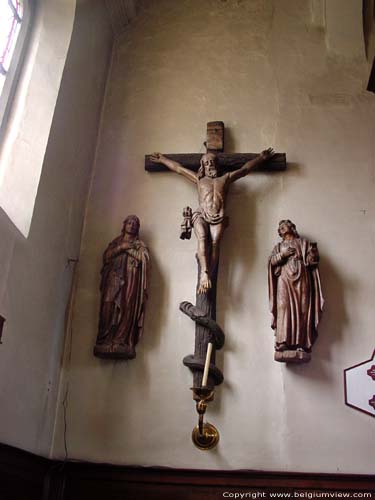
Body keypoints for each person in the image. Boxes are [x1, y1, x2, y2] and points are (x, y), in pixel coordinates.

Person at [151, 149, 273, 293]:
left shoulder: (225, 178)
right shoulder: (199, 179)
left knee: (215, 243)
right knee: (202, 238)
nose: (210, 165)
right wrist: (163, 160)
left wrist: (260, 158)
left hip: (218, 216)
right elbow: (179, 169)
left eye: (212, 162)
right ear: (202, 166)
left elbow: (245, 169)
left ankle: (210, 276)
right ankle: (205, 273)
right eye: (206, 163)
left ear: (216, 164)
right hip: (201, 214)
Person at [94, 215, 149, 359]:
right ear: (124, 225)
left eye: (135, 223)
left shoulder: (140, 244)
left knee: (127, 307)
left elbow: (144, 260)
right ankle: (105, 339)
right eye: (129, 223)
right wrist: (121, 247)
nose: (131, 225)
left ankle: (121, 340)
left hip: (131, 281)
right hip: (114, 279)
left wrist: (129, 250)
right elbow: (106, 257)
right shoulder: (115, 242)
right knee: (108, 305)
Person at [268, 220, 324, 359]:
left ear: (292, 228)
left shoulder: (303, 243)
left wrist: (313, 253)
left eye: (285, 225)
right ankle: (283, 342)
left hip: (302, 277)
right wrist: (283, 255)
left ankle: (301, 342)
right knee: (283, 307)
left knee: (302, 309)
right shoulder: (279, 246)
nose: (282, 228)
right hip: (284, 279)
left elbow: (311, 262)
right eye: (280, 227)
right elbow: (272, 262)